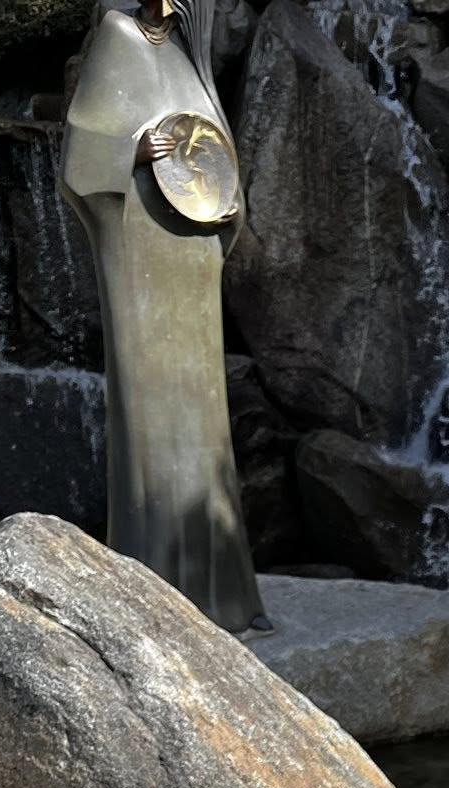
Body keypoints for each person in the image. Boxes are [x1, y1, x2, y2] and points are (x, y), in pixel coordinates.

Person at [60, 0, 269, 632]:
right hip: (138, 244)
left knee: (205, 416)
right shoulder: (118, 36)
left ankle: (220, 592)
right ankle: (153, 589)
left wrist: (227, 204)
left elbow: (216, 158)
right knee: (150, 414)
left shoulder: (190, 62)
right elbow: (80, 156)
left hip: (192, 254)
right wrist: (134, 148)